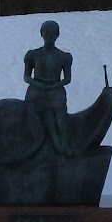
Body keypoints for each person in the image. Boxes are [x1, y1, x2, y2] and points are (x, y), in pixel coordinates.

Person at [23, 20, 75, 156]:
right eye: (47, 33)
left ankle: (64, 144)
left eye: (53, 33)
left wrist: (54, 85)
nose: (50, 36)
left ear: (57, 35)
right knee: (29, 115)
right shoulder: (33, 54)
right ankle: (33, 143)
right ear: (41, 34)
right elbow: (26, 77)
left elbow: (67, 79)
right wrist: (38, 84)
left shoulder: (64, 57)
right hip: (36, 90)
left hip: (55, 90)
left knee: (61, 119)